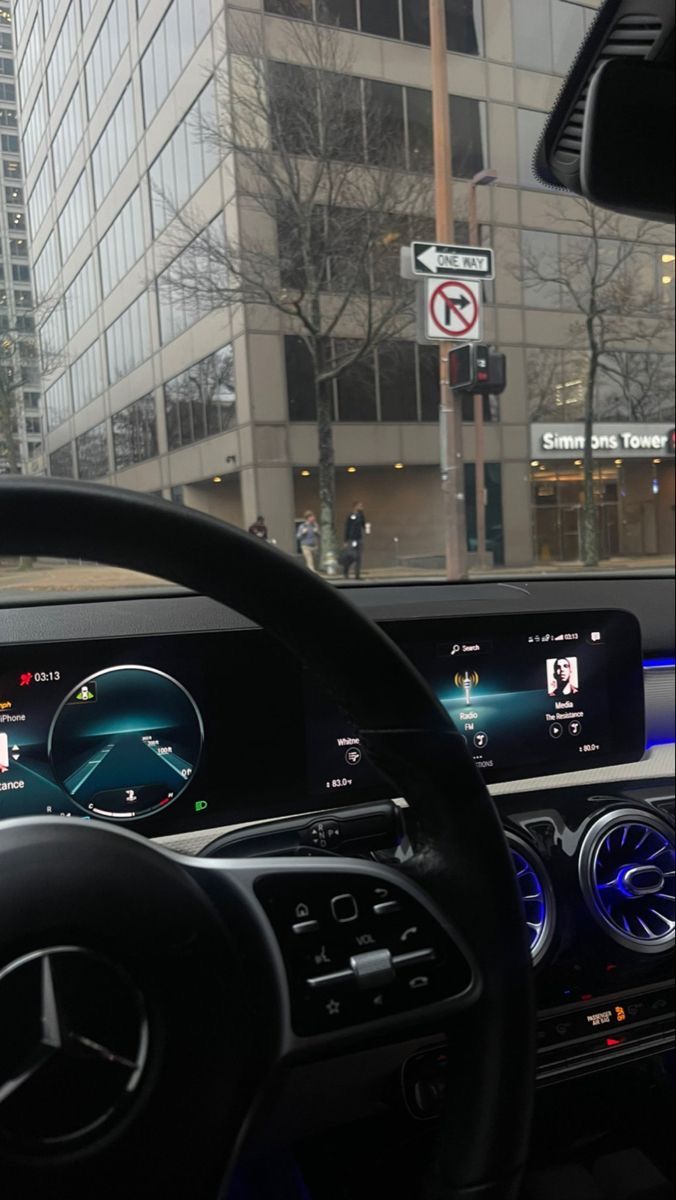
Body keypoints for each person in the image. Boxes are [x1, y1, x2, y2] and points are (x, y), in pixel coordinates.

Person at [343, 501, 367, 580]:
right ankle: (346, 572)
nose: (361, 507)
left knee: (359, 557)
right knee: (352, 557)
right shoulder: (351, 516)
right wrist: (345, 541)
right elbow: (347, 528)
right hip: (352, 539)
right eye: (360, 506)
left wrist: (363, 516)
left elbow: (364, 525)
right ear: (355, 507)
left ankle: (357, 575)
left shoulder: (361, 516)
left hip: (359, 538)